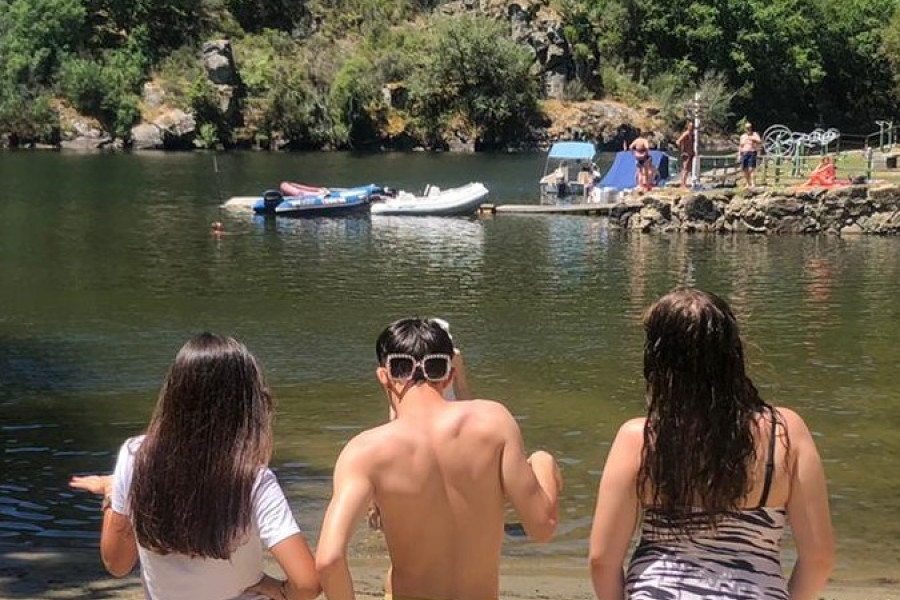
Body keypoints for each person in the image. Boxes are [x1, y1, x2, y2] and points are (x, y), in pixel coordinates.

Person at [589, 288, 834, 600]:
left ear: (658, 358)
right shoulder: (785, 433)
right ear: (733, 351)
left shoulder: (640, 438)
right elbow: (819, 559)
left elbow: (602, 561)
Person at [316, 317, 562, 600]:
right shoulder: (495, 422)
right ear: (449, 375)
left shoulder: (365, 452)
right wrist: (544, 462)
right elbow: (543, 528)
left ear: (383, 376)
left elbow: (328, 560)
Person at [70, 333, 320, 600]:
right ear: (247, 405)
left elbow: (117, 565)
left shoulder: (135, 457)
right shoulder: (252, 479)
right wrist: (280, 590)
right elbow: (307, 584)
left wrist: (112, 495)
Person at [738, 121, 762, 187]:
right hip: (744, 153)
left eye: (749, 127)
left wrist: (752, 138)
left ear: (751, 128)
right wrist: (739, 155)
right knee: (745, 169)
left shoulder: (755, 134)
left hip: (752, 152)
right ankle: (747, 183)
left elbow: (759, 141)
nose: (748, 129)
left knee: (751, 169)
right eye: (747, 128)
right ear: (745, 129)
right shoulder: (742, 136)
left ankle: (753, 183)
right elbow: (740, 146)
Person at [676, 121, 695, 188]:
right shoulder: (686, 133)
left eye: (693, 126)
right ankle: (682, 184)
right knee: (685, 168)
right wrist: (682, 149)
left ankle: (685, 183)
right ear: (688, 127)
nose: (692, 128)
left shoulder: (692, 134)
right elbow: (678, 141)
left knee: (688, 169)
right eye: (691, 126)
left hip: (690, 153)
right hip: (686, 154)